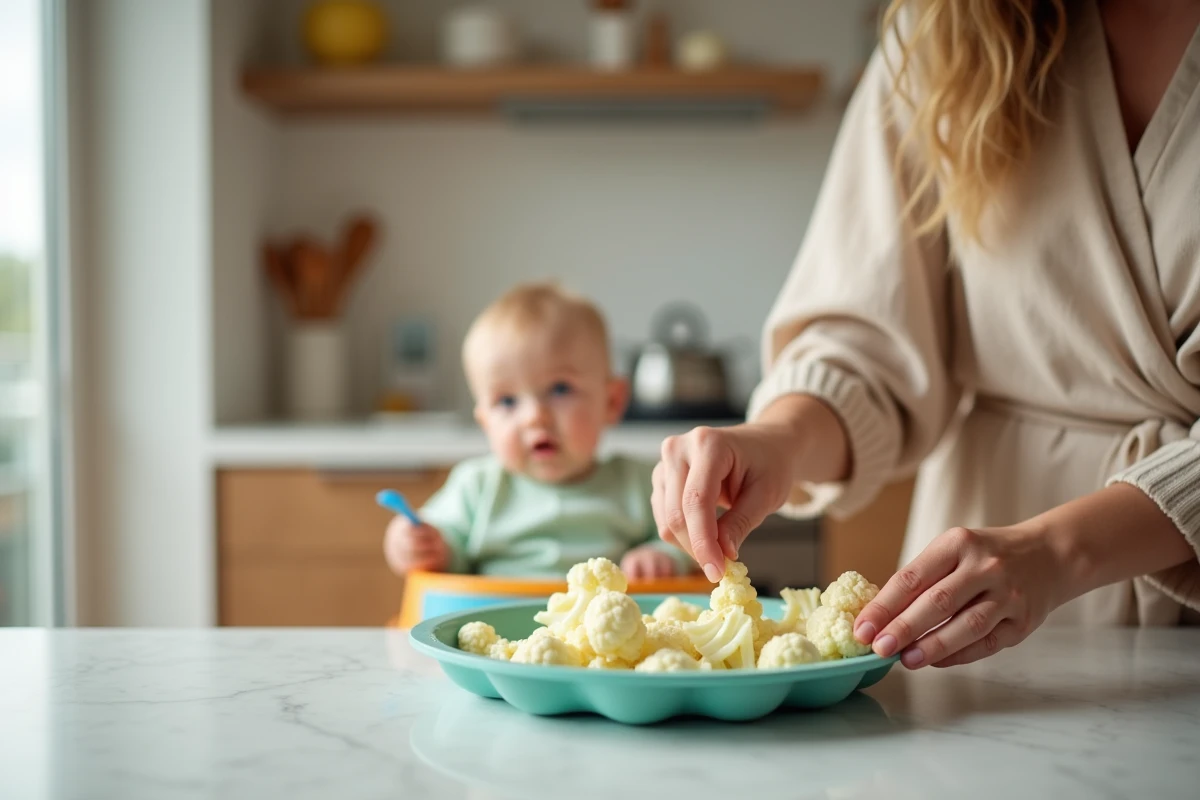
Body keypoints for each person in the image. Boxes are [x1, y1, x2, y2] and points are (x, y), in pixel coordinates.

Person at [652, 0, 1200, 670]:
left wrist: (1058, 550)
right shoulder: (949, 31)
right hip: (979, 617)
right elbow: (870, 340)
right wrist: (782, 437)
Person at [383, 282, 694, 580]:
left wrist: (662, 555)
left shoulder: (640, 483)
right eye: (506, 401)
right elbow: (443, 542)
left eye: (559, 389)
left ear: (611, 402)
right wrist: (417, 544)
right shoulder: (477, 488)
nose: (534, 417)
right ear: (486, 423)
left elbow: (690, 535)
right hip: (500, 632)